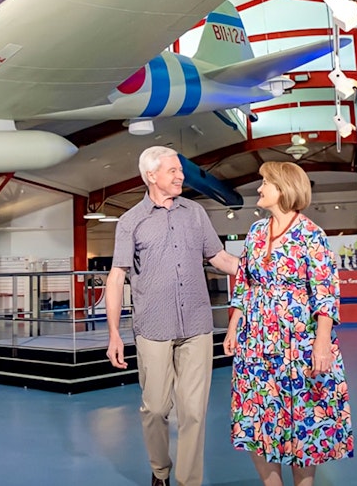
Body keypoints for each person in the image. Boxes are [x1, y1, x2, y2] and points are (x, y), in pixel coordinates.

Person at [105, 146, 240, 486]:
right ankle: (160, 469)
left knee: (194, 412)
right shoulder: (130, 222)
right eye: (173, 171)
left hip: (196, 326)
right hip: (153, 327)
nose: (181, 176)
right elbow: (117, 276)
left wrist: (256, 268)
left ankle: (187, 481)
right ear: (152, 175)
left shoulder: (194, 212)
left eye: (180, 171)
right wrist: (114, 334)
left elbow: (219, 256)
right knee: (155, 408)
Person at [223, 162, 353, 486]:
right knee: (257, 412)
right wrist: (233, 325)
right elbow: (244, 284)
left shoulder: (311, 235)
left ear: (282, 188)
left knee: (303, 418)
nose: (258, 188)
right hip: (256, 343)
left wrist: (322, 343)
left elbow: (326, 294)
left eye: (264, 182)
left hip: (299, 343)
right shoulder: (254, 233)